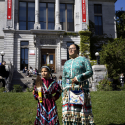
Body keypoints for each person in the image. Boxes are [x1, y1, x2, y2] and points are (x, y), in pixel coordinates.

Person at [62, 44, 94, 125]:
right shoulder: (66, 63)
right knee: (68, 112)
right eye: (69, 48)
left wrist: (79, 77)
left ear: (77, 50)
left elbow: (90, 71)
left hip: (80, 89)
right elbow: (64, 77)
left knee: (80, 111)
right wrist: (63, 90)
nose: (70, 50)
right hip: (68, 90)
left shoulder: (83, 59)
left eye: (72, 48)